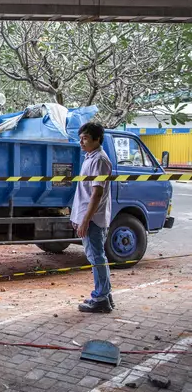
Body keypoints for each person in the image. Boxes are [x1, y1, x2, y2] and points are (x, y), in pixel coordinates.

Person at [72, 122, 114, 313]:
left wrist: (86, 220)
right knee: (96, 256)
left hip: (94, 219)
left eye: (86, 138)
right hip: (89, 217)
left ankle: (101, 298)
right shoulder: (90, 158)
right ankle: (104, 294)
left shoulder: (99, 160)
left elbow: (97, 193)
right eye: (80, 137)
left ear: (97, 139)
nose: (81, 141)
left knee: (96, 257)